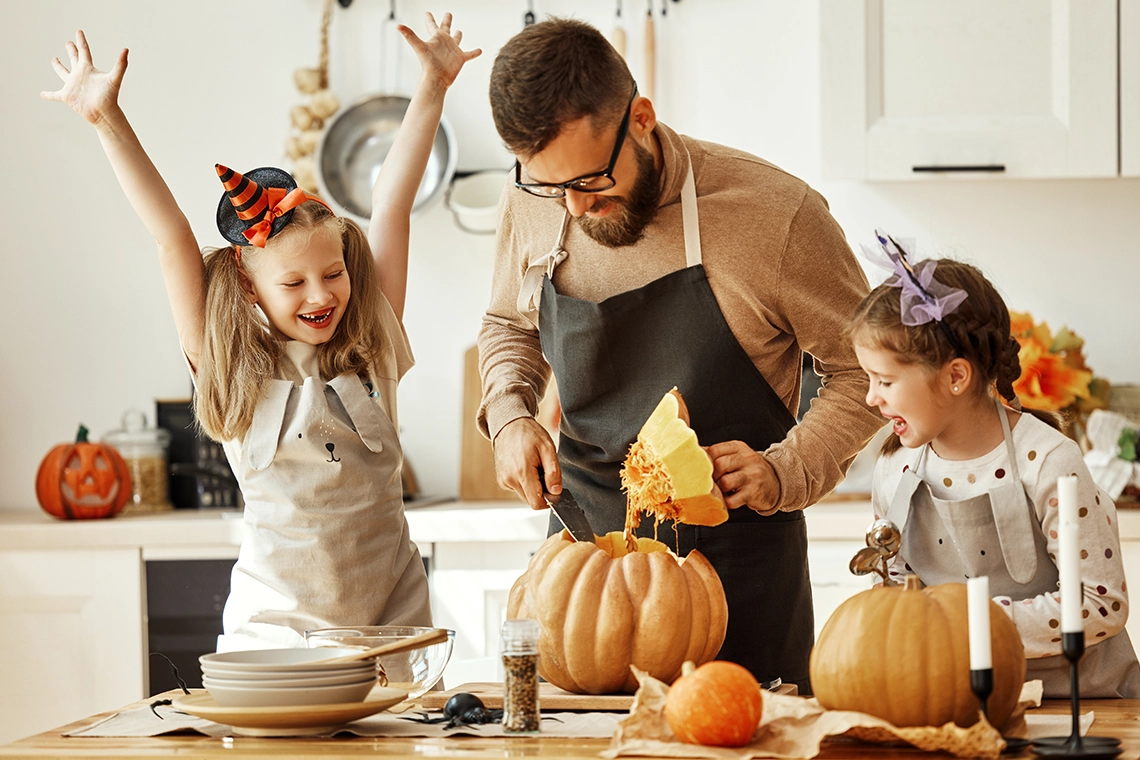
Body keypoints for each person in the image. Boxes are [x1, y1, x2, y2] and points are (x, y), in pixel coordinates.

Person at [42, 16, 480, 650]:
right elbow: (171, 237)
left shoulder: (371, 349)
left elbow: (391, 204)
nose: (321, 294)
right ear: (250, 287)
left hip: (393, 633)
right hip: (275, 641)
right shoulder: (231, 363)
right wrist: (106, 119)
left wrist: (434, 86)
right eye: (294, 282)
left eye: (333, 273)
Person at [477, 17, 884, 693]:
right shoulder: (534, 197)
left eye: (590, 180)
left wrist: (787, 469)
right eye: (553, 189)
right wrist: (510, 413)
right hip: (582, 574)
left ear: (640, 118)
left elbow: (865, 370)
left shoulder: (775, 215)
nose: (574, 208)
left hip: (738, 576)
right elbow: (507, 325)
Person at [851, 231, 1140, 697]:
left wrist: (965, 626)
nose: (871, 397)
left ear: (956, 376)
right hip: (963, 701)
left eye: (884, 380)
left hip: (1081, 700)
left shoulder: (1049, 462)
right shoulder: (896, 468)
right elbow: (901, 592)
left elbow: (1101, 603)